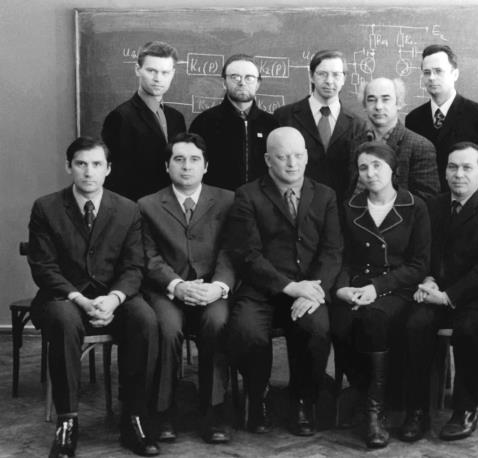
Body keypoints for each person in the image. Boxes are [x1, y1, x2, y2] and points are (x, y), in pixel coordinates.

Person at [27, 137, 160, 457]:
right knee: (64, 319)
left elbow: (134, 266)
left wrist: (114, 299)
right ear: (68, 166)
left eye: (97, 164)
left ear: (108, 169)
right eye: (81, 164)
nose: (89, 172)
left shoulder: (128, 209)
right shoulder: (46, 207)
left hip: (113, 297)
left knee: (145, 318)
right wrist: (79, 299)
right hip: (64, 298)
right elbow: (44, 267)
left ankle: (134, 419)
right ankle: (67, 423)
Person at [226, 127, 342, 436]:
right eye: (282, 157)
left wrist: (313, 290)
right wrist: (289, 287)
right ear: (268, 159)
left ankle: (303, 400)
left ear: (307, 156)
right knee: (247, 332)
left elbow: (332, 251)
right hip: (261, 288)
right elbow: (247, 254)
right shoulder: (247, 195)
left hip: (309, 287)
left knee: (317, 330)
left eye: (298, 156)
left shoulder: (325, 195)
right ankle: (258, 395)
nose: (292, 163)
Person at [401, 142, 478, 442]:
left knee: (468, 330)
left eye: (467, 167)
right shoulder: (432, 206)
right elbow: (421, 252)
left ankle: (465, 409)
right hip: (433, 290)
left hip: (473, 296)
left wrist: (448, 296)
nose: (458, 174)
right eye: (452, 167)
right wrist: (427, 279)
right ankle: (417, 410)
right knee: (415, 324)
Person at [331, 141, 430, 449]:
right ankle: (362, 392)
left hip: (397, 287)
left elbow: (419, 264)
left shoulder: (414, 206)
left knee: (374, 319)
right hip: (357, 285)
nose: (370, 173)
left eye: (377, 166)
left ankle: (375, 411)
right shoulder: (351, 206)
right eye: (363, 167)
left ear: (393, 169)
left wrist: (378, 288)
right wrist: (343, 288)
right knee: (337, 321)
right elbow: (341, 256)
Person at [138, 133, 235, 445]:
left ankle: (213, 411)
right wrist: (176, 285)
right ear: (167, 166)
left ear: (206, 166)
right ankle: (164, 411)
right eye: (178, 159)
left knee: (217, 322)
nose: (186, 166)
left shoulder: (228, 200)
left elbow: (232, 250)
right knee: (166, 328)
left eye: (194, 160)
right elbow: (149, 257)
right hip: (168, 290)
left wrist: (219, 286)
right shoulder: (147, 205)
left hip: (211, 289)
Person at [406, 44, 478, 195]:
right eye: (427, 72)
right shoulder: (413, 119)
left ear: (455, 74)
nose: (432, 77)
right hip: (425, 205)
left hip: (467, 204)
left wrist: (476, 204)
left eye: (438, 71)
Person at [274, 49, 365, 199]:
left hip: (340, 207)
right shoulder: (284, 117)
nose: (329, 81)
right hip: (294, 204)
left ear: (344, 79)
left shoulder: (358, 126)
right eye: (322, 74)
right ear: (311, 76)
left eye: (336, 75)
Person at [102, 41, 186, 201]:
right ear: (137, 70)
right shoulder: (120, 117)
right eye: (151, 71)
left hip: (172, 205)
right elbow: (116, 178)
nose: (158, 79)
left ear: (173, 73)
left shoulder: (176, 118)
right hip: (137, 206)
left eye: (165, 72)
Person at [189, 54, 279, 190]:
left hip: (261, 200)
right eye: (235, 77)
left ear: (258, 84)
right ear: (224, 82)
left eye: (249, 78)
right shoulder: (204, 122)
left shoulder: (272, 125)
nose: (242, 83)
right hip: (217, 200)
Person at [352, 77, 440, 202]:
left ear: (398, 104)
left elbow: (426, 201)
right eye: (371, 100)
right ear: (364, 106)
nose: (378, 106)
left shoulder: (420, 146)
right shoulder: (356, 142)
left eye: (386, 99)